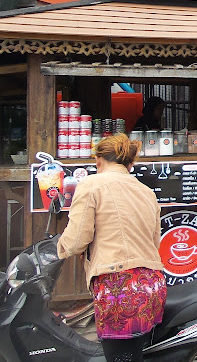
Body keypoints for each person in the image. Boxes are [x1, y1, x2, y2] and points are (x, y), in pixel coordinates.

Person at [57, 134, 166, 362]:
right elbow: (154, 242)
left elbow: (76, 240)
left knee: (121, 359)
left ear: (98, 160)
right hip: (151, 284)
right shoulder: (147, 192)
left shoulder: (91, 184)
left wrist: (59, 249)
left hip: (119, 287)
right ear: (130, 164)